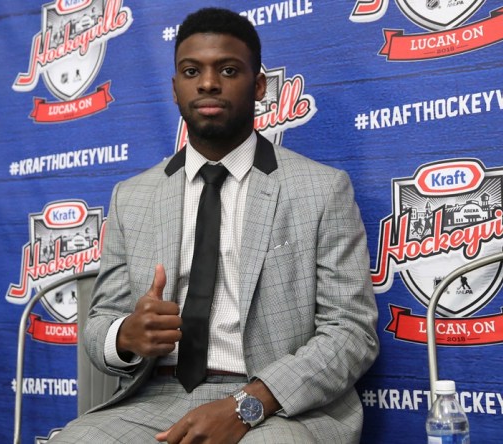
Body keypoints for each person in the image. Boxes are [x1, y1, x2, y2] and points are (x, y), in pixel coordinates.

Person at [52, 7, 379, 443]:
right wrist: (124, 336)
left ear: (259, 85)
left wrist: (248, 404)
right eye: (191, 71)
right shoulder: (132, 197)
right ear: (174, 88)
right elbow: (101, 322)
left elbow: (351, 332)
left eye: (228, 69)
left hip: (279, 405)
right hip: (155, 398)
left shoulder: (321, 189)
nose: (208, 82)